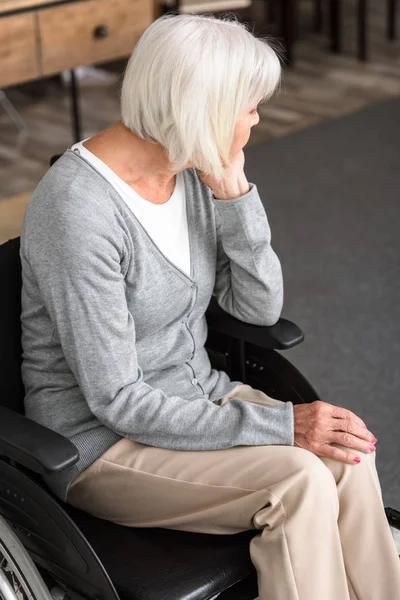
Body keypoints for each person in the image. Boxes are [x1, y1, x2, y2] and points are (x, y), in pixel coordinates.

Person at [20, 12, 400, 600]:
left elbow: (259, 309)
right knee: (298, 480)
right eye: (248, 107)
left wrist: (235, 197)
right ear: (203, 109)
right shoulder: (79, 211)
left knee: (346, 453)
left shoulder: (190, 173)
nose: (254, 120)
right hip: (102, 445)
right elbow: (117, 400)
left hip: (200, 396)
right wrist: (280, 424)